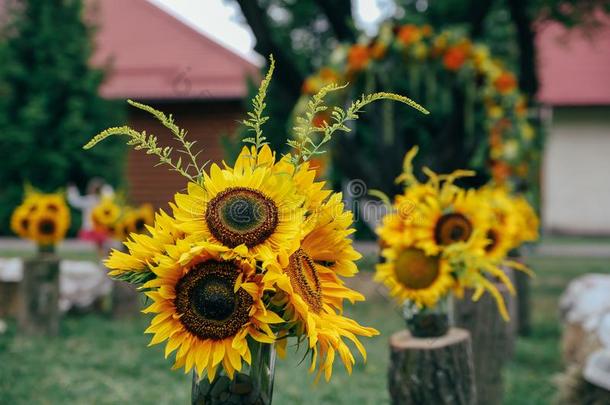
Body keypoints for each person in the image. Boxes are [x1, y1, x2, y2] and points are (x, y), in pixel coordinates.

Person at [67, 178, 114, 252]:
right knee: (99, 250)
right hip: (93, 230)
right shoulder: (101, 201)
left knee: (90, 251)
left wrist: (72, 190)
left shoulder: (94, 201)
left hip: (94, 230)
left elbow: (75, 201)